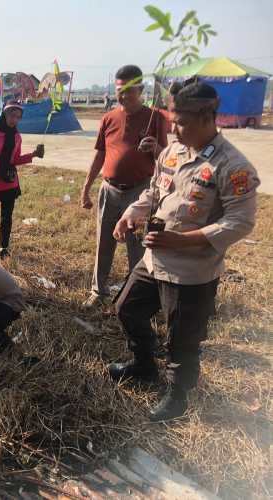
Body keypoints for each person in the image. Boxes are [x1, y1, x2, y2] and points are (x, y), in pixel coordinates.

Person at [110, 82, 260, 421]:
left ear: (208, 116)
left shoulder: (233, 166)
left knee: (182, 338)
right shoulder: (172, 152)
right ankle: (144, 365)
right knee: (127, 309)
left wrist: (186, 240)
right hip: (154, 260)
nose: (174, 129)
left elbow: (241, 222)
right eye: (173, 120)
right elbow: (154, 193)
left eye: (182, 122)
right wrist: (129, 214)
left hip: (191, 271)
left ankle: (177, 397)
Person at [80, 65, 168, 309]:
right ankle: (98, 291)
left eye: (130, 90)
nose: (124, 95)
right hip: (108, 190)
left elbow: (168, 157)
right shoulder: (108, 118)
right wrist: (86, 188)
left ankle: (135, 296)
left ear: (140, 89)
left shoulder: (155, 118)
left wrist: (156, 149)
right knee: (103, 243)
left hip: (139, 192)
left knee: (136, 247)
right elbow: (99, 155)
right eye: (120, 90)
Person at [0, 100, 45, 258]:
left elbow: (15, 159)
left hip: (9, 183)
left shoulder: (17, 137)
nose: (15, 120)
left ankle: (4, 247)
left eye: (18, 117)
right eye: (12, 115)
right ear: (4, 114)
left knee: (7, 218)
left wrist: (33, 154)